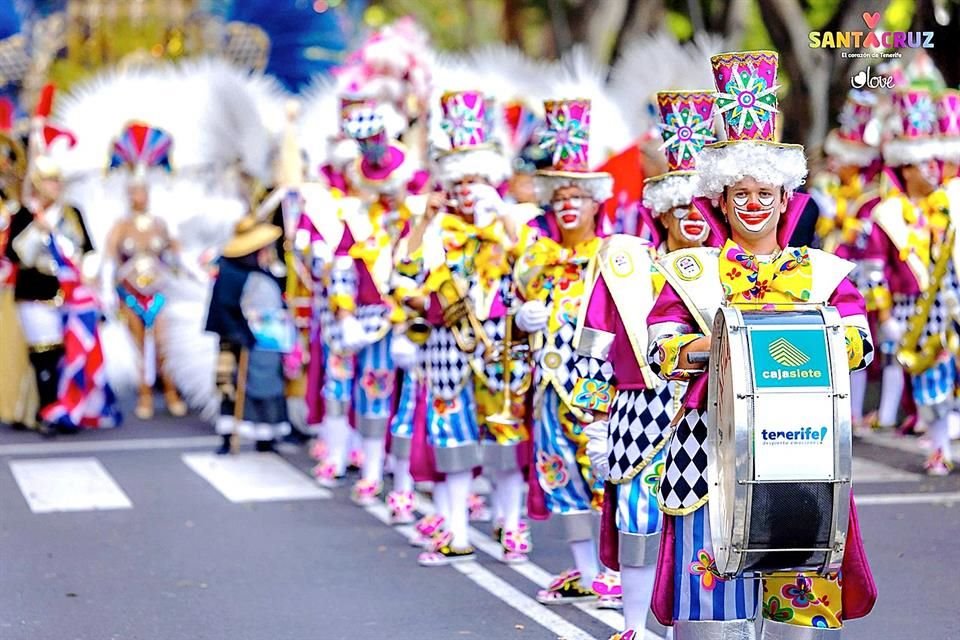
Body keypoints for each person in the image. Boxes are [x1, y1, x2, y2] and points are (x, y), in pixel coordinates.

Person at [645, 50, 877, 638]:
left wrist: (820, 342)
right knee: (711, 610)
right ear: (720, 199)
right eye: (739, 193)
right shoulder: (692, 273)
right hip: (706, 449)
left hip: (802, 447)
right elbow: (661, 350)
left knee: (796, 606)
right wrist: (715, 349)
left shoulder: (821, 273)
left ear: (784, 200)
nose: (752, 204)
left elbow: (858, 344)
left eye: (764, 193)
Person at [580, 89, 717, 636]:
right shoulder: (626, 265)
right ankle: (633, 625)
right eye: (680, 209)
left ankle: (694, 626)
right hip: (637, 412)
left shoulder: (734, 269)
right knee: (637, 521)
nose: (691, 219)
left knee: (703, 527)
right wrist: (593, 419)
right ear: (661, 211)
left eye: (700, 208)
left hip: (709, 414)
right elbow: (596, 341)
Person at [401, 89, 532, 566]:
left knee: (506, 437)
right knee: (451, 439)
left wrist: (502, 219)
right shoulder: (432, 226)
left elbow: (535, 272)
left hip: (503, 345)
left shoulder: (512, 220)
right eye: (457, 181)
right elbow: (403, 276)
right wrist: (425, 223)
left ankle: (512, 526)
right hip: (446, 346)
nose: (464, 190)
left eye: (474, 179)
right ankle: (455, 529)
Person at [512, 96, 622, 601]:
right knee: (560, 476)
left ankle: (618, 569)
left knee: (608, 476)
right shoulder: (533, 256)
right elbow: (509, 312)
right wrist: (520, 317)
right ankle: (587, 570)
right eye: (559, 198)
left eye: (577, 196)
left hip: (601, 388)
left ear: (596, 203)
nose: (568, 205)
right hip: (549, 388)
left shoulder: (617, 254)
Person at [862, 87, 958, 475]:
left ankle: (940, 446)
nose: (933, 170)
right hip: (907, 308)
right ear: (905, 168)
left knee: (943, 375)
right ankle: (937, 446)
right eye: (924, 164)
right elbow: (873, 270)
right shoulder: (887, 214)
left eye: (935, 163)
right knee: (928, 377)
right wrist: (884, 316)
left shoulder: (947, 207)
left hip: (947, 304)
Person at [6, 125, 97, 435]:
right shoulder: (25, 215)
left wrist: (88, 272)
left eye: (57, 180)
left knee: (68, 355)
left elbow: (88, 250)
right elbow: (15, 254)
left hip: (71, 297)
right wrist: (39, 231)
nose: (55, 185)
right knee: (44, 354)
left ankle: (67, 408)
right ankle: (47, 411)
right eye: (48, 180)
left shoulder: (71, 213)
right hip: (36, 294)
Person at [101, 122, 188, 420]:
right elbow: (108, 260)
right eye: (135, 191)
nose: (140, 195)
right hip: (130, 293)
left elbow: (177, 257)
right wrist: (106, 291)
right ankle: (145, 396)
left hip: (158, 292)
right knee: (139, 346)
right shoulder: (120, 226)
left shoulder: (161, 224)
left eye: (144, 190)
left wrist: (193, 270)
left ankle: (171, 391)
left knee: (163, 343)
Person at [205, 215, 292, 453]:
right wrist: (240, 332)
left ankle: (266, 435)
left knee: (263, 384)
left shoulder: (261, 270)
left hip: (260, 339)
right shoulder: (231, 272)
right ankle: (228, 436)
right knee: (230, 386)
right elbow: (224, 307)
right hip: (235, 338)